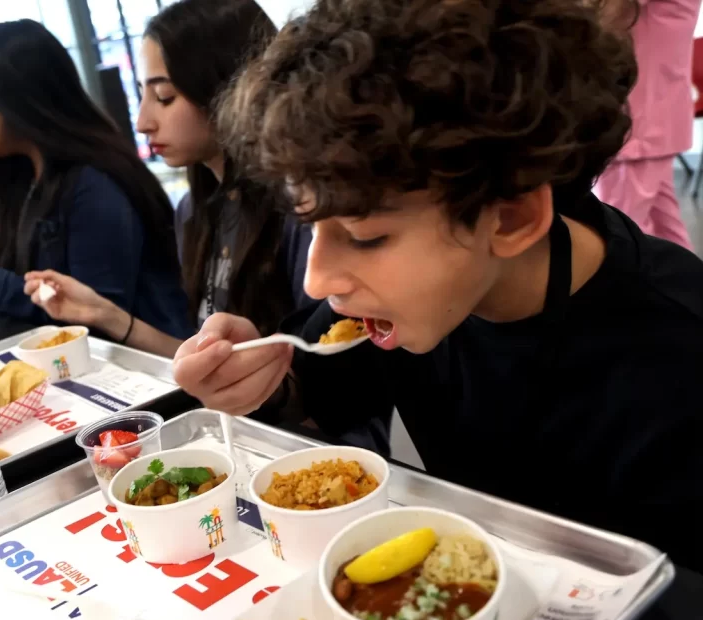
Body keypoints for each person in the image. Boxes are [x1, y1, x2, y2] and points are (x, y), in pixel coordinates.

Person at [173, 0, 703, 570]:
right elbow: (318, 381)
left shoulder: (677, 357)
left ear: (511, 219)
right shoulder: (401, 305)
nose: (318, 277)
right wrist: (259, 380)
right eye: (311, 227)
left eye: (365, 236)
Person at [24, 0, 313, 358]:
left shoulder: (299, 204)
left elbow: (320, 382)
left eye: (164, 96)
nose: (143, 121)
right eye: (144, 94)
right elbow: (204, 365)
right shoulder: (194, 211)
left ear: (227, 86)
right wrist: (103, 314)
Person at [0, 20, 191, 338]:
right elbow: (30, 272)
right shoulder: (29, 180)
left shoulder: (94, 184)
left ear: (14, 94)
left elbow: (96, 316)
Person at [593, 0, 701, 251]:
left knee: (617, 239)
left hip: (638, 120)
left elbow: (603, 21)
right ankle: (687, 289)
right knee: (666, 232)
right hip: (653, 116)